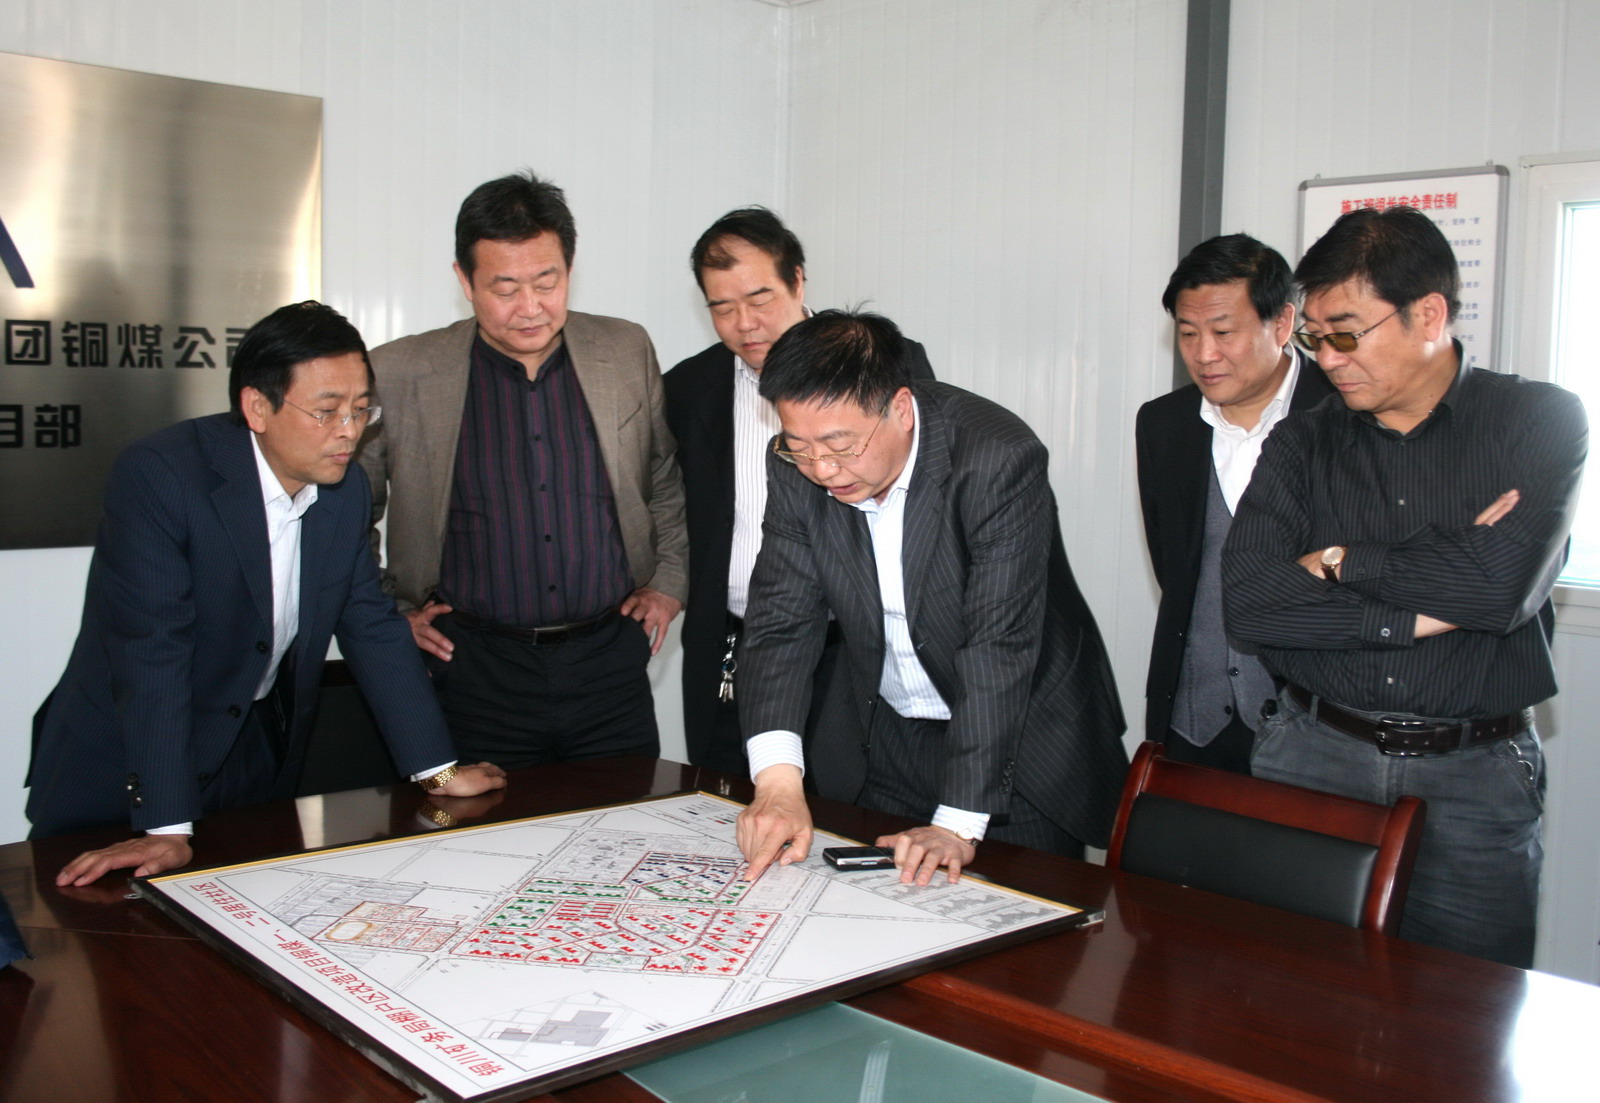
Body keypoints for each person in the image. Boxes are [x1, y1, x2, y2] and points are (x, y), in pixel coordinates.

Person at [27, 301, 506, 886]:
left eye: (361, 409)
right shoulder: (162, 476)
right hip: (129, 763)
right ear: (257, 407)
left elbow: (371, 625)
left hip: (250, 753)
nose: (350, 431)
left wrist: (438, 772)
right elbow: (153, 650)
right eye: (327, 411)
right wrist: (166, 826)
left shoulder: (344, 490)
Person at [1222, 206, 1587, 968]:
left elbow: (1498, 591)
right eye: (1314, 338)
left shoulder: (1538, 420)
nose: (1328, 359)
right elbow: (1251, 600)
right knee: (1293, 992)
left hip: (1474, 772)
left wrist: (1340, 559)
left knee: (1468, 1009)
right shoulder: (1304, 438)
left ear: (1429, 315)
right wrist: (1421, 603)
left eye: (1347, 334)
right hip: (1315, 753)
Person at [734, 310, 1127, 885]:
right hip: (886, 738)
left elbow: (999, 644)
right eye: (800, 445)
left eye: (841, 445)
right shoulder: (797, 466)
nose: (822, 468)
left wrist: (959, 823)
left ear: (900, 408)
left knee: (1025, 928)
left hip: (1016, 749)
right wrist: (777, 782)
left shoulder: (995, 458)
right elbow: (780, 622)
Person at [358, 171, 688, 770]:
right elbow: (350, 514)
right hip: (472, 668)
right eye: (505, 288)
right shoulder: (400, 372)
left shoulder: (624, 350)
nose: (530, 308)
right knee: (465, 824)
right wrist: (387, 616)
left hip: (609, 659)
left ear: (570, 269)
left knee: (628, 814)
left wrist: (668, 581)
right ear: (464, 280)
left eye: (547, 282)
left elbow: (661, 472)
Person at [664, 207, 933, 775]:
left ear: (797, 281)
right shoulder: (688, 387)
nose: (745, 324)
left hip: (852, 647)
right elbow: (666, 499)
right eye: (722, 308)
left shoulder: (885, 363)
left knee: (848, 801)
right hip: (734, 644)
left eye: (760, 298)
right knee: (727, 799)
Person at [1137, 234, 1334, 773]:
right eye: (1188, 333)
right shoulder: (1164, 424)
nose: (1204, 354)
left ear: (1282, 323)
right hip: (1193, 720)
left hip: (1317, 726)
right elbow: (1176, 566)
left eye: (1224, 332)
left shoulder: (1342, 414)